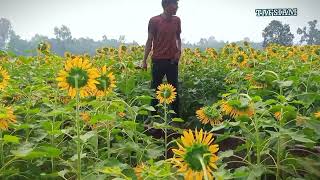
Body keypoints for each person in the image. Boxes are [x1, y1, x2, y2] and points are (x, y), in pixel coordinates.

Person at [141, 0, 181, 118]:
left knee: (174, 91)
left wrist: (179, 51)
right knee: (156, 90)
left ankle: (176, 119)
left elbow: (178, 38)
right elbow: (149, 41)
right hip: (158, 60)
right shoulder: (154, 21)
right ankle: (153, 119)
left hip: (172, 61)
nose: (177, 7)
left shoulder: (177, 20)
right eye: (175, 5)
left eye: (177, 5)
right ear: (166, 6)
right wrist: (144, 61)